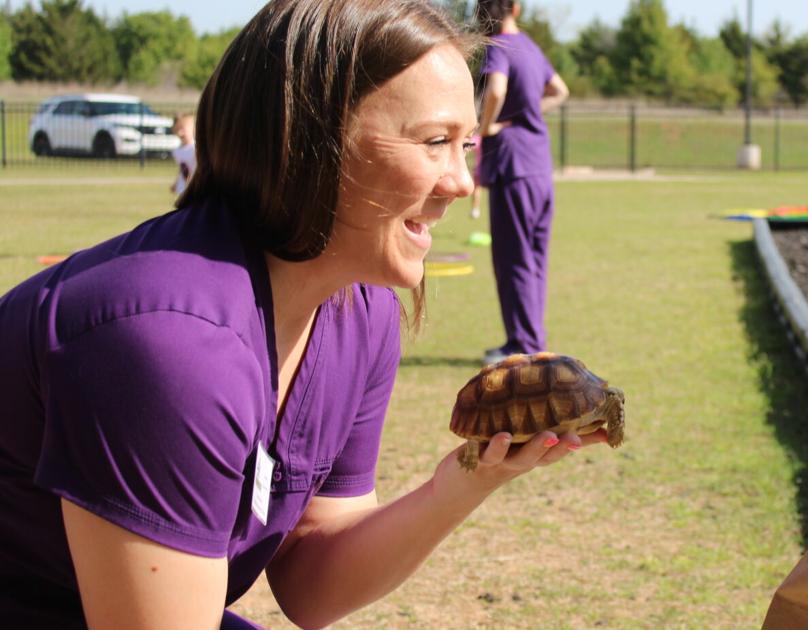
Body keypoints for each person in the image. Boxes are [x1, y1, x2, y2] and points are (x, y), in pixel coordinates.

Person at [0, 2, 606, 627]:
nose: (462, 182)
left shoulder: (360, 310)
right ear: (307, 138)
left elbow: (310, 581)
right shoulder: (168, 343)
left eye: (467, 144)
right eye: (434, 142)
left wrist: (463, 484)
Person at [474, 0, 569, 365]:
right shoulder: (530, 46)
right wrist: (528, 112)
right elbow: (560, 90)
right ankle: (532, 340)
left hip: (513, 167)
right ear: (516, 6)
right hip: (540, 168)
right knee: (534, 259)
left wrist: (487, 127)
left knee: (514, 259)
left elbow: (495, 90)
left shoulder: (498, 46)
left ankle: (523, 346)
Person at [169, 113, 196, 196]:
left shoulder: (196, 149)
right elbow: (183, 169)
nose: (180, 133)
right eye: (177, 129)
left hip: (195, 186)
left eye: (183, 129)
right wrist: (176, 183)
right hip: (183, 187)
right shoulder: (177, 151)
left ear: (193, 129)